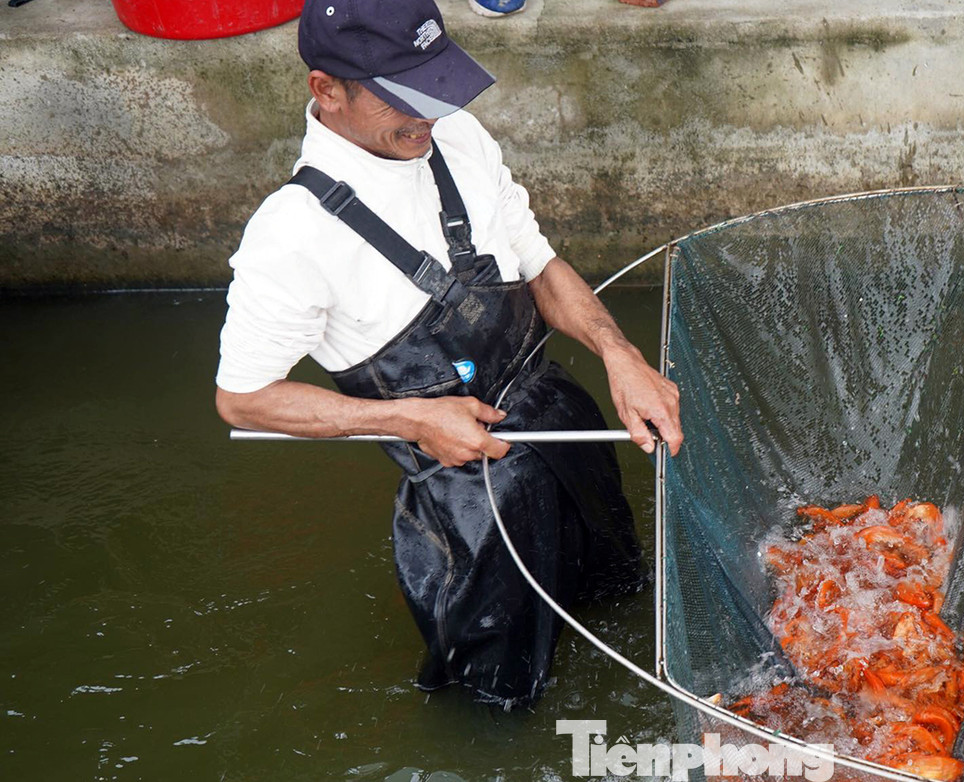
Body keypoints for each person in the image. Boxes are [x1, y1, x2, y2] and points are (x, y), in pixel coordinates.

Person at [214, 0, 682, 708]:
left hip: (561, 422)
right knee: (496, 696)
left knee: (616, 599)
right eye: (402, 94)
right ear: (326, 89)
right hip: (469, 501)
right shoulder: (289, 237)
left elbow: (538, 265)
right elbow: (243, 398)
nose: (428, 111)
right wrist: (411, 419)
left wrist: (622, 357)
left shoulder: (457, 137)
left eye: (435, 82)